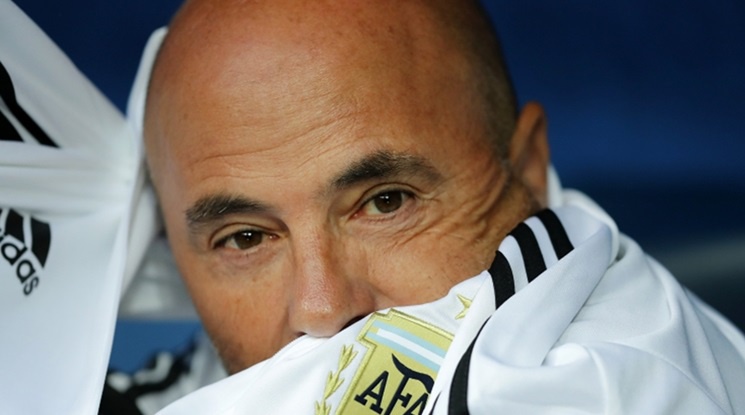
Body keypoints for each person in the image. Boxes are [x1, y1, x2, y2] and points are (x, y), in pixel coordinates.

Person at [126, 0, 745, 413]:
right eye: (245, 239)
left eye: (385, 202)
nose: (322, 312)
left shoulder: (608, 385)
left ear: (528, 168)